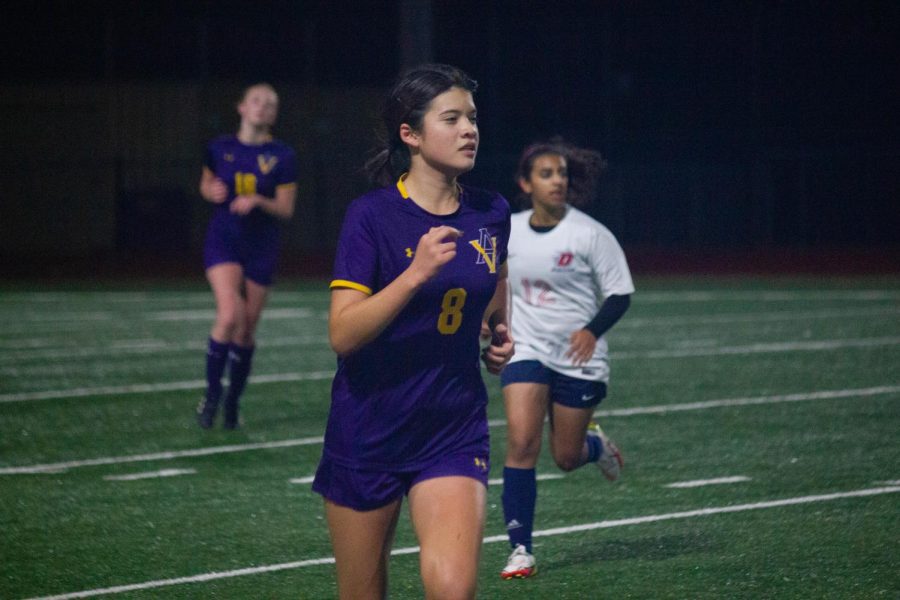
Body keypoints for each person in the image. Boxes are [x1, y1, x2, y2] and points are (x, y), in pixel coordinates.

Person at [312, 63, 514, 600]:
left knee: (453, 589)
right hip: (368, 429)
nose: (469, 129)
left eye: (472, 117)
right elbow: (344, 334)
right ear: (412, 135)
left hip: (451, 426)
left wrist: (499, 328)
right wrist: (415, 275)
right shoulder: (371, 217)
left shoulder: (491, 211)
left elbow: (497, 272)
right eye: (452, 118)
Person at [498, 138, 634, 579]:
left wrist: (591, 331)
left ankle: (596, 447)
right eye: (546, 174)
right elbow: (496, 282)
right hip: (527, 350)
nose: (558, 181)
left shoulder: (590, 233)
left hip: (578, 357)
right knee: (521, 444)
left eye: (562, 174)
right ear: (526, 183)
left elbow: (619, 293)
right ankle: (521, 550)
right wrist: (491, 323)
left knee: (565, 457)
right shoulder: (510, 229)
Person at [196, 83, 298, 430]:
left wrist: (258, 200)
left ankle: (232, 402)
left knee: (246, 330)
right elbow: (206, 185)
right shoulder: (219, 148)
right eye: (256, 100)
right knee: (229, 316)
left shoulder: (282, 156)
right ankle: (211, 396)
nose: (263, 107)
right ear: (241, 106)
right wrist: (211, 191)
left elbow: (285, 209)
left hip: (261, 245)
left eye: (271, 103)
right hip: (224, 239)